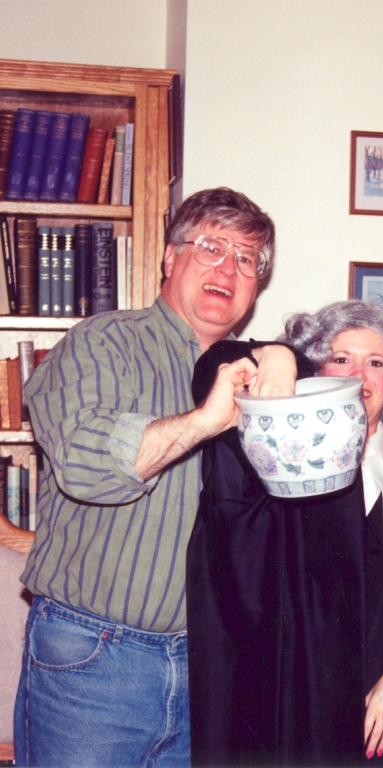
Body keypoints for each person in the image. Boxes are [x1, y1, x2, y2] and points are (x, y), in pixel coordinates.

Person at [14, 187, 289, 766]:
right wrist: (204, 421)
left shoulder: (255, 372)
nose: (228, 268)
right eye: (211, 247)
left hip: (209, 668)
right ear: (169, 257)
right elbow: (84, 464)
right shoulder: (102, 341)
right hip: (94, 658)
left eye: (246, 258)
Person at [186, 300, 383, 766]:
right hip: (303, 729)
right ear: (315, 371)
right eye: (341, 358)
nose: (359, 376)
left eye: (376, 363)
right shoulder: (277, 477)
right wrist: (275, 356)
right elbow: (212, 372)